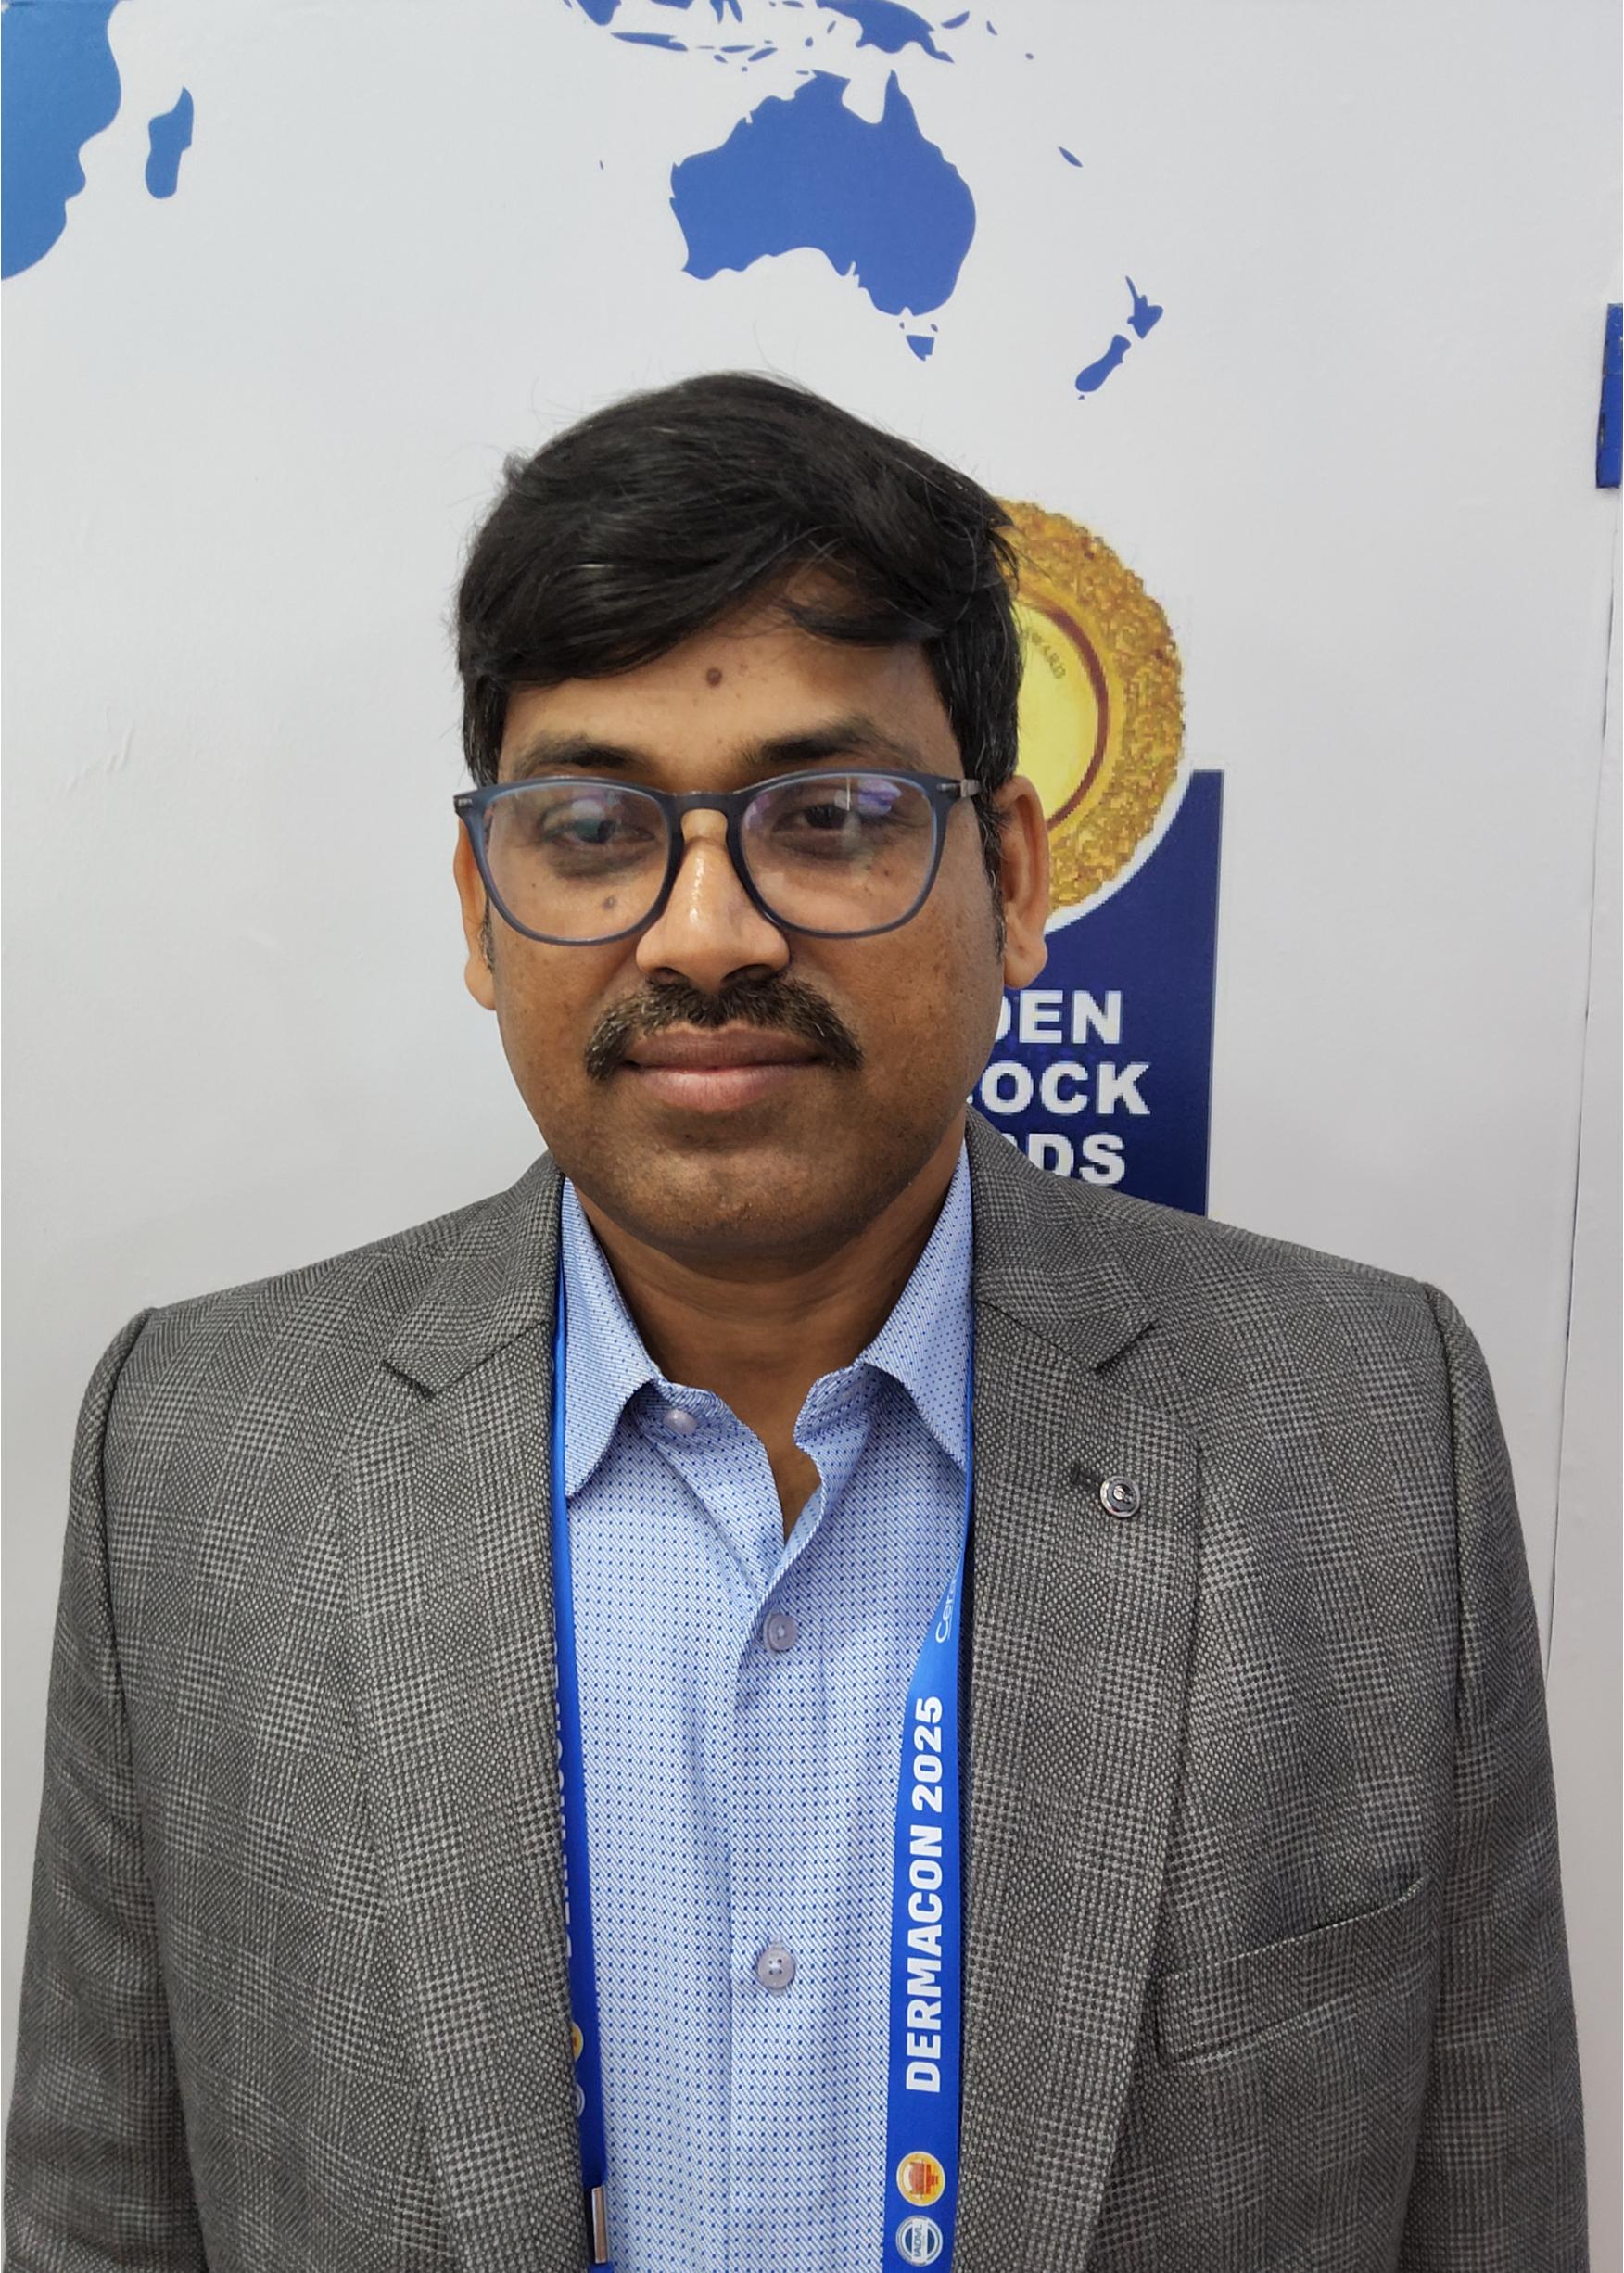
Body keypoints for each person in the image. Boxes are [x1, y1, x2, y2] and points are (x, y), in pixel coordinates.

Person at [6, 373, 1586, 2273]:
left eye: (827, 816)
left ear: (1011, 879)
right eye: (594, 826)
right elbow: (100, 2213)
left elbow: (1483, 2208)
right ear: (483, 905)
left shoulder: (1371, 1437)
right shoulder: (194, 1457)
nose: (704, 933)